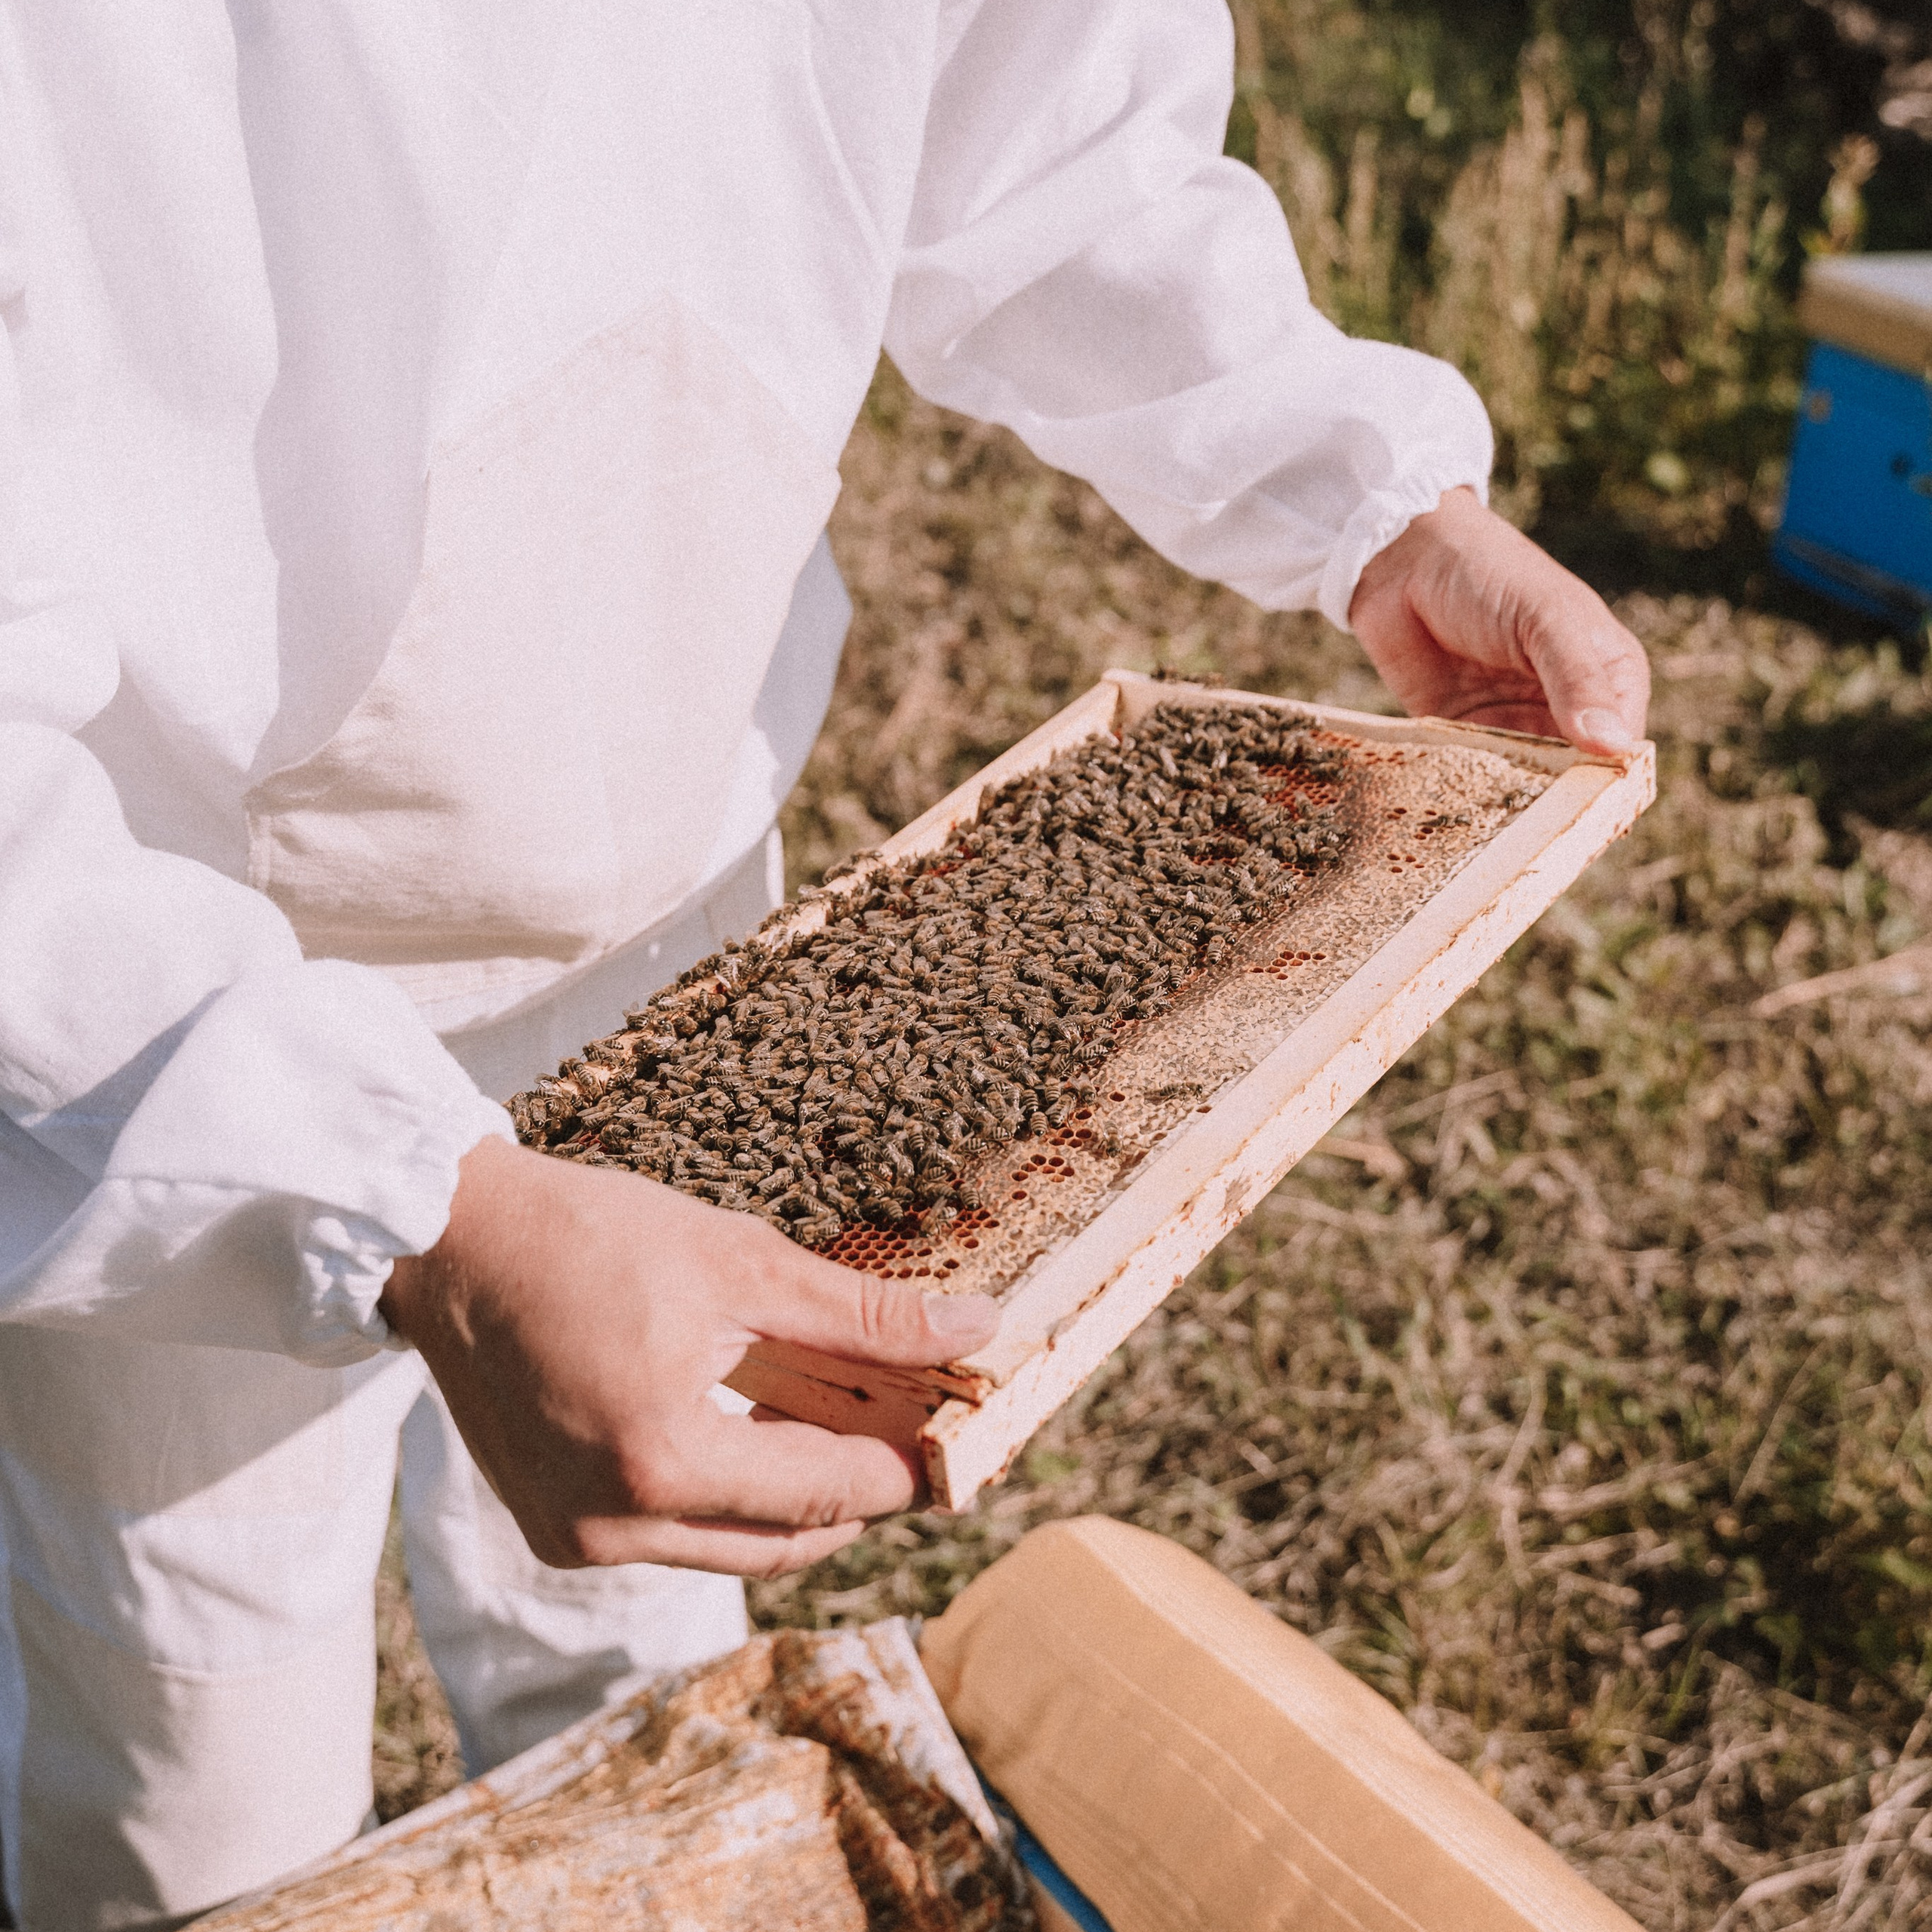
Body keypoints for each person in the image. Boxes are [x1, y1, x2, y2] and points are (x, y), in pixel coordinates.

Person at [0, 3, 1649, 1924]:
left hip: (680, 932)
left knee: (641, 1689)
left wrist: (1359, 492)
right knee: (191, 1776)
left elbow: (1041, 132)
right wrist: (387, 1198)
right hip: (152, 986)